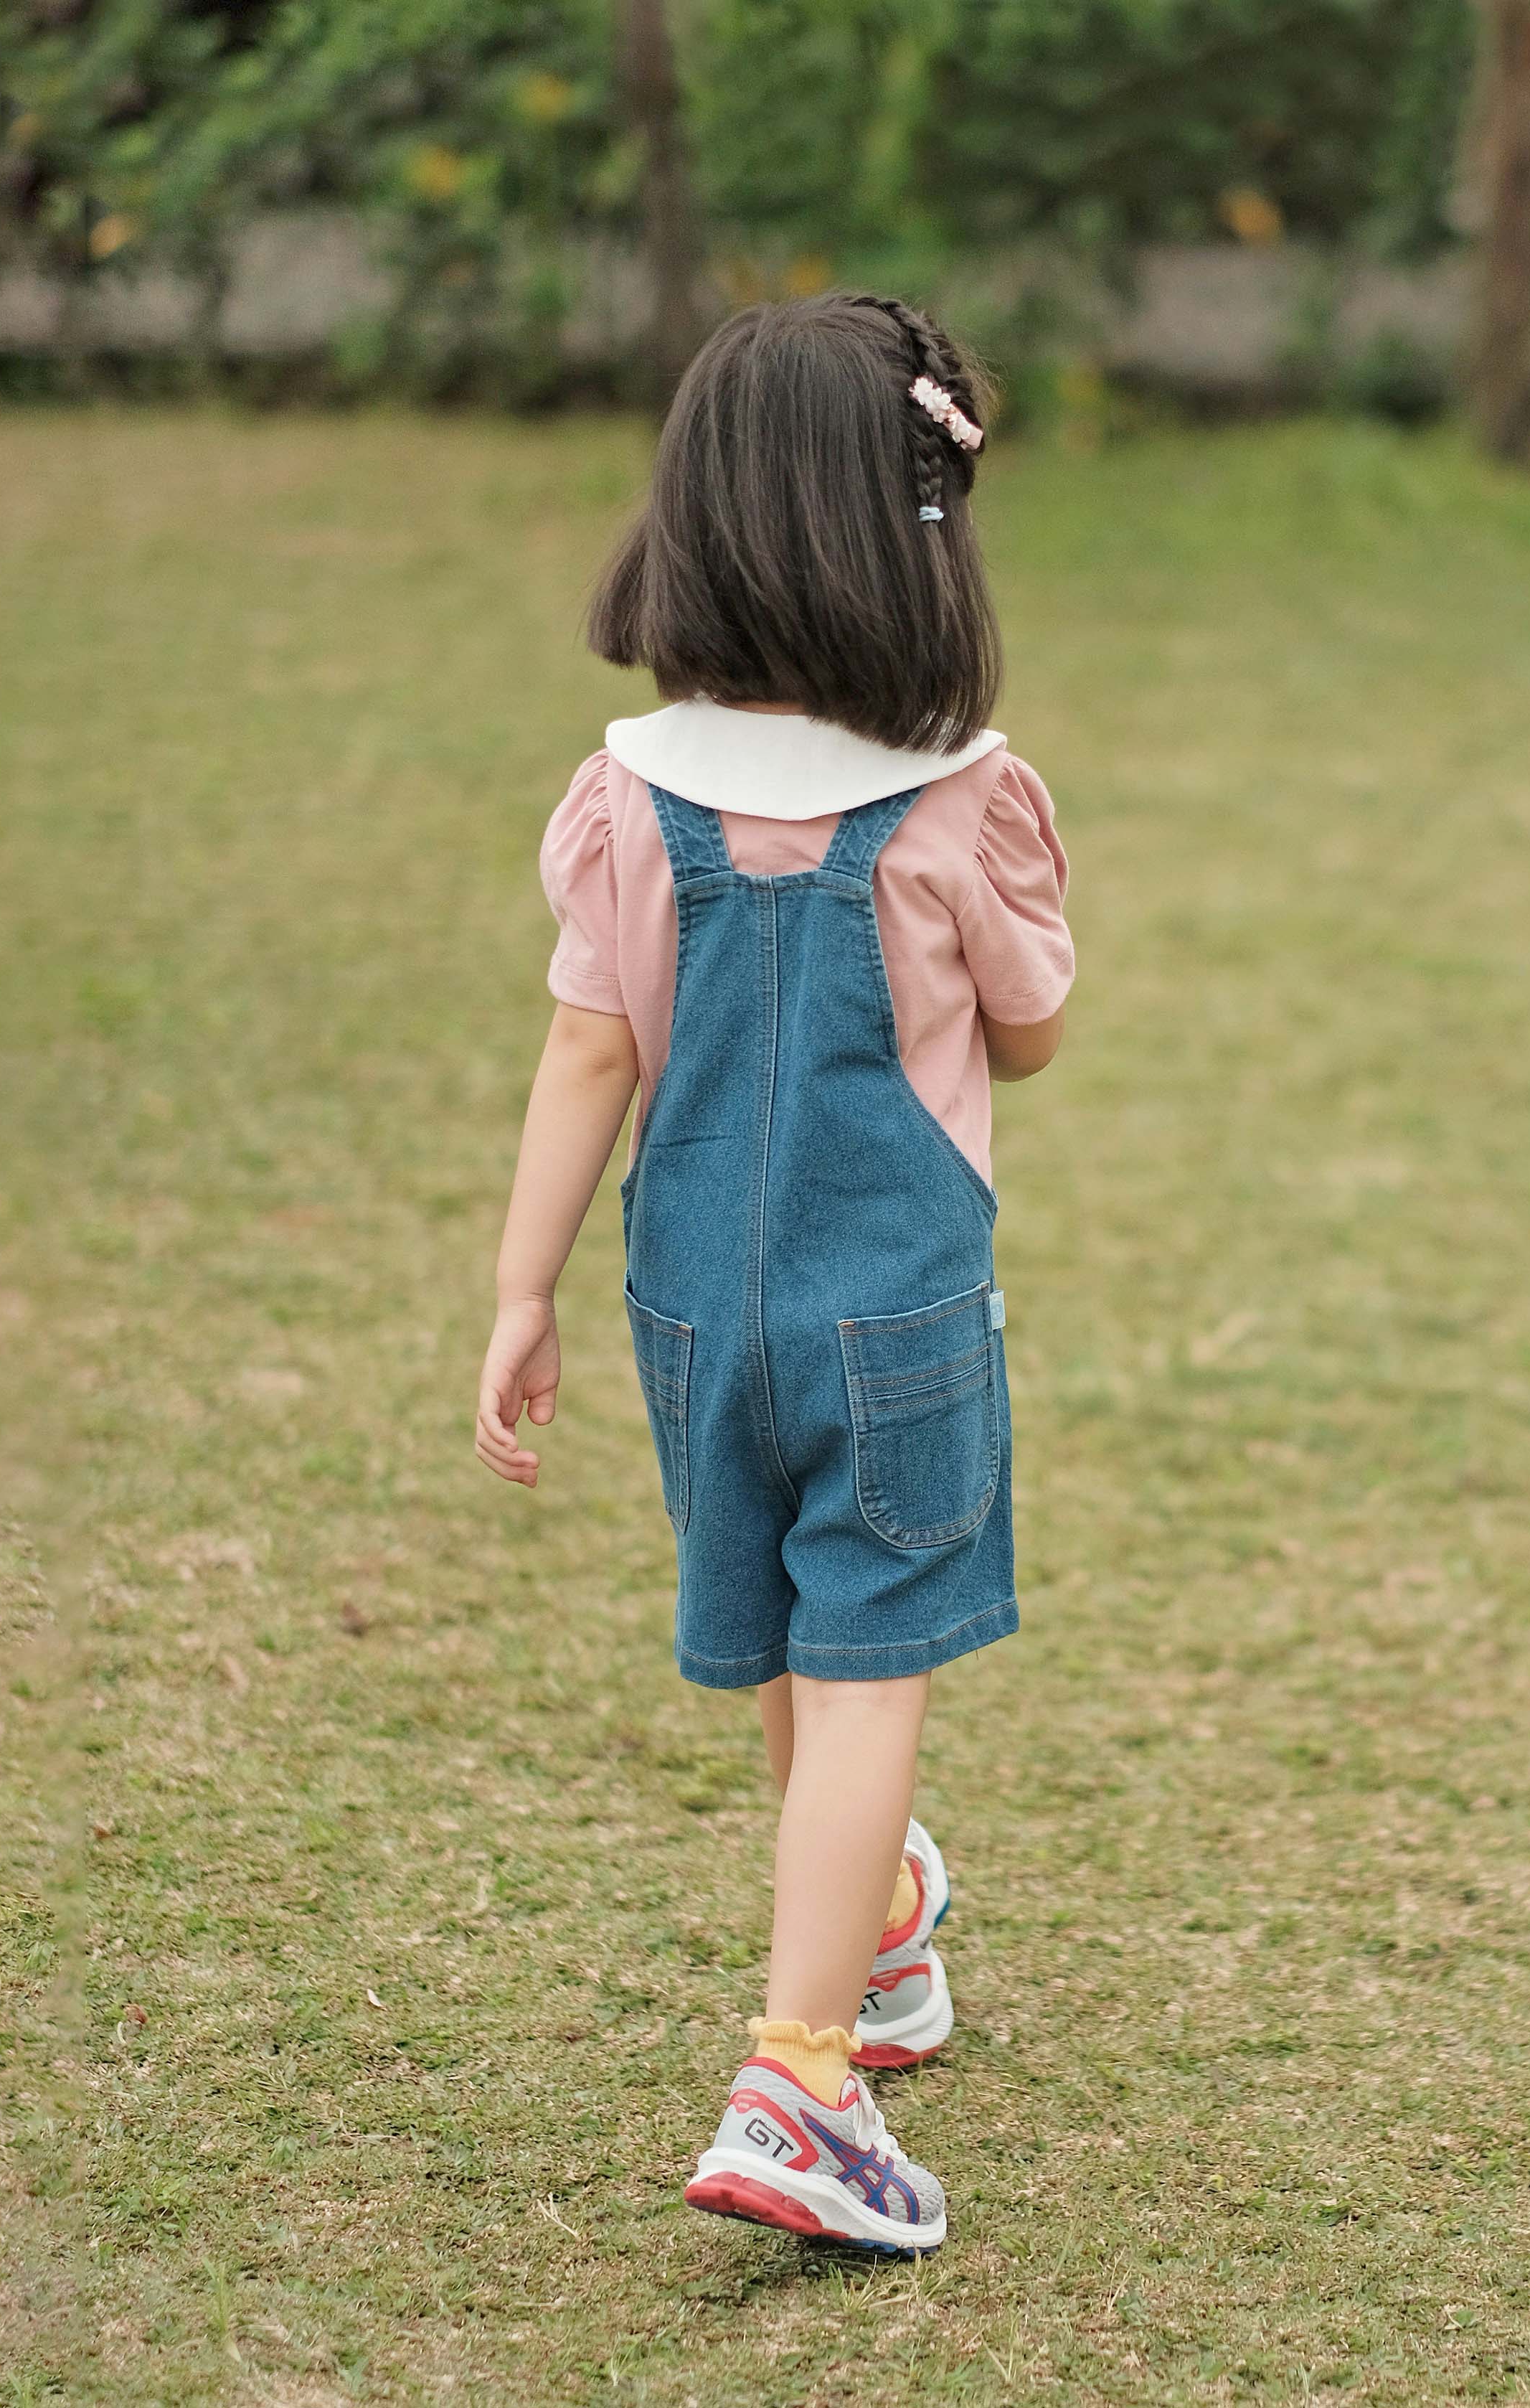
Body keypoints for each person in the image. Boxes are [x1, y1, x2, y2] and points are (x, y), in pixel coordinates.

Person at [474, 293, 1072, 2257]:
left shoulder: (628, 787)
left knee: (798, 1627)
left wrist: (519, 1292)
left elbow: (588, 1050)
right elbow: (1036, 1026)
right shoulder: (960, 793)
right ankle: (801, 2071)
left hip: (686, 1310)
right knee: (869, 1656)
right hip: (892, 1310)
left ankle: (879, 1940)